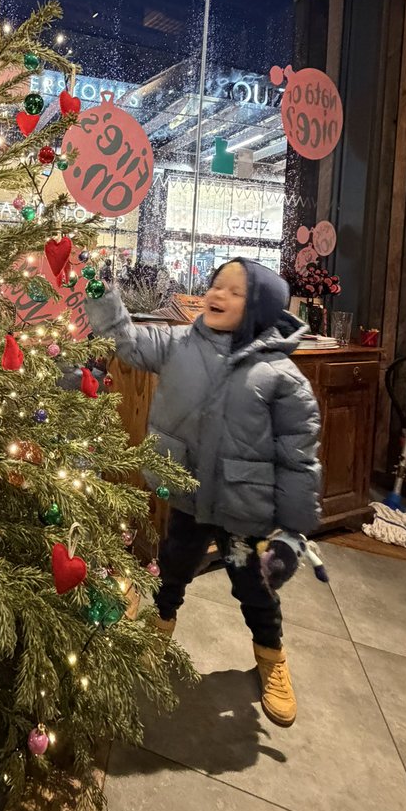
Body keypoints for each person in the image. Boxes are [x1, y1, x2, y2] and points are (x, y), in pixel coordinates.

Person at [85, 258, 321, 727]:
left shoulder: (282, 377)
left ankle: (271, 656)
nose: (219, 294)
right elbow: (128, 343)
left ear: (259, 307)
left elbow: (299, 459)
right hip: (189, 492)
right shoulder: (178, 345)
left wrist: (294, 528)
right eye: (216, 285)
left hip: (243, 506)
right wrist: (101, 294)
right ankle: (161, 624)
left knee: (253, 585)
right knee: (173, 565)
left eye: (235, 291)